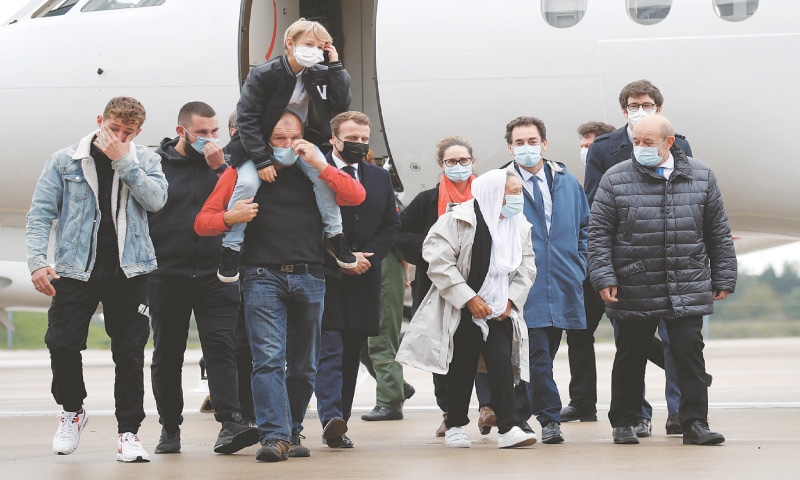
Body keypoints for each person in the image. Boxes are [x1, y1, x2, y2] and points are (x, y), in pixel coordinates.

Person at [194, 110, 365, 462]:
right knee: (268, 360)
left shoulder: (314, 172)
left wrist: (319, 162)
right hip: (261, 276)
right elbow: (202, 222)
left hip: (310, 275)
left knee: (304, 365)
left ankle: (292, 429)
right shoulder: (243, 173)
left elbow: (356, 195)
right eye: (278, 140)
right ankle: (274, 436)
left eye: (293, 138)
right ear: (264, 141)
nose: (287, 146)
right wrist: (229, 218)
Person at [26, 96, 167, 462]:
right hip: (75, 269)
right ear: (100, 120)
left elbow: (156, 201)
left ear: (138, 132)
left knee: (130, 353)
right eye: (113, 129)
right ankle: (73, 410)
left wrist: (125, 162)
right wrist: (38, 262)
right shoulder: (65, 160)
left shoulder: (147, 160)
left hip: (130, 269)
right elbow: (41, 214)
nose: (119, 136)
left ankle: (129, 434)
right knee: (61, 342)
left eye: (128, 132)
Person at [589, 114, 736, 445]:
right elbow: (598, 235)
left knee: (689, 354)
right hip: (633, 281)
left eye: (648, 143)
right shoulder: (615, 178)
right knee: (631, 355)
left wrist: (724, 274)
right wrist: (603, 276)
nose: (639, 148)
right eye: (635, 142)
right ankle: (625, 421)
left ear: (669, 142)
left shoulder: (701, 176)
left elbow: (718, 231)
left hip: (686, 279)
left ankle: (694, 422)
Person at [568, 79, 694, 436]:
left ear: (659, 106)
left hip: (670, 260)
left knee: (676, 343)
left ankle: (680, 413)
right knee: (631, 348)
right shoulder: (605, 148)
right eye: (635, 105)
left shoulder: (678, 143)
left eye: (648, 104)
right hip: (629, 265)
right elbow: (595, 209)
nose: (642, 110)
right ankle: (636, 415)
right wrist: (603, 268)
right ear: (624, 110)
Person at [397, 169, 537, 449]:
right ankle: (456, 425)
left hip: (499, 309)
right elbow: (439, 262)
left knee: (501, 365)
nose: (517, 197)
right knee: (461, 366)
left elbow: (527, 267)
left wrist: (510, 300)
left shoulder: (518, 223)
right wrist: (468, 298)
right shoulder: (457, 219)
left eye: (518, 191)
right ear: (493, 193)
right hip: (462, 307)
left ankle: (508, 428)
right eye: (513, 191)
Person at [148, 101, 257, 455]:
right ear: (182, 132)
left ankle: (230, 423)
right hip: (167, 273)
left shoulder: (227, 165)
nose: (211, 139)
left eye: (215, 132)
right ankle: (169, 428)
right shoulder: (157, 165)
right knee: (167, 353)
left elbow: (239, 198)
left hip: (216, 273)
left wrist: (219, 168)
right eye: (202, 133)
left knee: (221, 349)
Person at [220, 18, 356, 282]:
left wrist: (335, 64)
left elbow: (341, 103)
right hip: (257, 144)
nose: (314, 50)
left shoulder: (318, 73)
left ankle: (335, 238)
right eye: (309, 44)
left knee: (321, 176)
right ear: (290, 44)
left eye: (320, 46)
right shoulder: (264, 74)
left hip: (301, 142)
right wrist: (261, 160)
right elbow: (246, 118)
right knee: (247, 184)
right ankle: (230, 248)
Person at [394, 136, 494, 437]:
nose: (459, 166)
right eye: (452, 161)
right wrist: (429, 246)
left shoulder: (486, 197)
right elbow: (398, 234)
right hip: (438, 287)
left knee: (485, 346)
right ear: (442, 165)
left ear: (473, 162)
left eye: (464, 160)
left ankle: (487, 407)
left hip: (482, 287)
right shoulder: (427, 200)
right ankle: (450, 412)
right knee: (445, 353)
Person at [314, 111, 400, 448]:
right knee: (329, 349)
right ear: (334, 137)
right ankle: (330, 414)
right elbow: (307, 223)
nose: (359, 144)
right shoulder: (315, 170)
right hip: (326, 274)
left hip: (364, 276)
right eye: (352, 138)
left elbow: (391, 226)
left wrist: (366, 258)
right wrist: (341, 257)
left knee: (351, 352)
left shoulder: (378, 177)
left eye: (364, 139)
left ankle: (340, 423)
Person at [504, 116, 589, 444]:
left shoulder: (567, 181)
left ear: (545, 143)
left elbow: (585, 226)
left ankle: (518, 414)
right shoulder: (501, 183)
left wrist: (579, 264)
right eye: (520, 143)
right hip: (525, 283)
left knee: (544, 351)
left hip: (565, 280)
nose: (527, 148)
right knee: (537, 351)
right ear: (510, 147)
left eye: (532, 141)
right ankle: (550, 418)